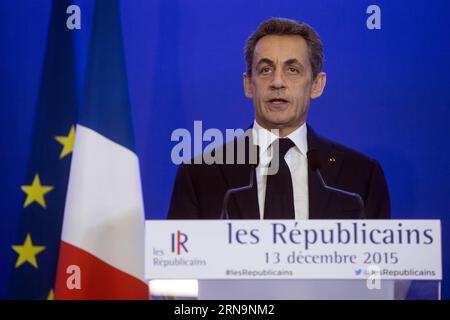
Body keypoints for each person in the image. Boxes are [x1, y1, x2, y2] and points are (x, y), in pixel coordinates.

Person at [167, 17, 390, 220]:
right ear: (248, 85)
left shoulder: (360, 175)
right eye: (265, 70)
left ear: (316, 85)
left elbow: (379, 261)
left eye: (292, 70)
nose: (277, 82)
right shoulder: (200, 174)